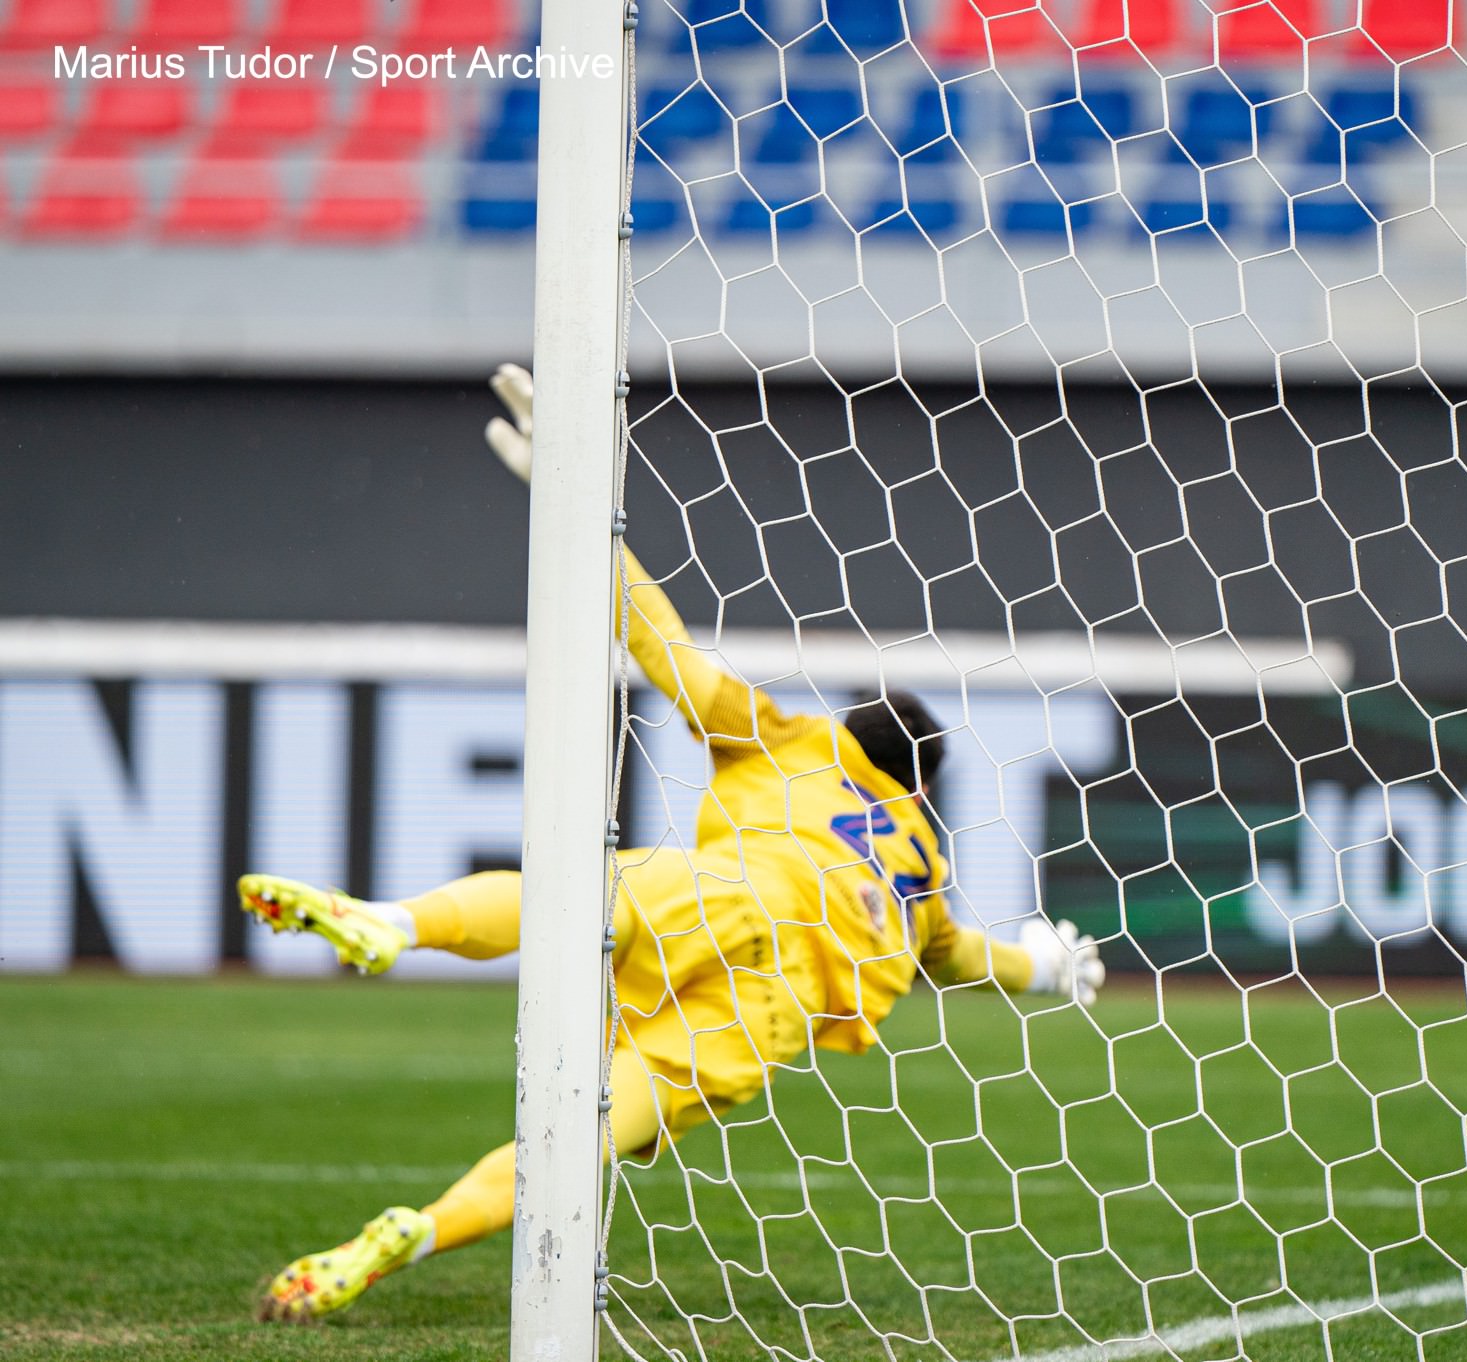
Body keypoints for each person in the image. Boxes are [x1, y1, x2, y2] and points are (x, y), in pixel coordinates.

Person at [242, 365, 1104, 1321]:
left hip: (729, 890)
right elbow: (950, 957)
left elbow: (661, 645)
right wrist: (1042, 965)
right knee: (576, 1138)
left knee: (564, 899)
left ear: (846, 726)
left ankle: (394, 924)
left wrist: (574, 503)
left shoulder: (789, 737)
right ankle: (424, 1228)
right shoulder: (919, 860)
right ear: (925, 786)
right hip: (771, 1011)